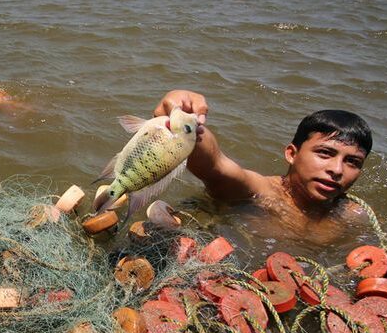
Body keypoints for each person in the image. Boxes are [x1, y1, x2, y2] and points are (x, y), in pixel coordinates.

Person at [153, 90, 372, 237]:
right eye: (325, 153)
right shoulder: (257, 191)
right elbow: (215, 166)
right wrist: (178, 118)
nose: (337, 170)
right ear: (291, 154)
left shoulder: (351, 215)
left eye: (352, 162)